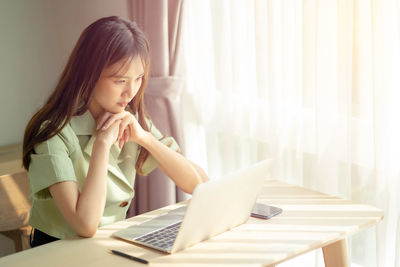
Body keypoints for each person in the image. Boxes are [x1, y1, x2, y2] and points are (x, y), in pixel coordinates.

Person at [22, 16, 208, 247]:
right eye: (120, 81)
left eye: (138, 78)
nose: (130, 91)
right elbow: (85, 225)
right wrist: (102, 144)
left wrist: (145, 138)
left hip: (109, 245)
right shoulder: (53, 134)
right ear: (89, 74)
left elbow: (200, 184)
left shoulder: (128, 119)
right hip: (59, 251)